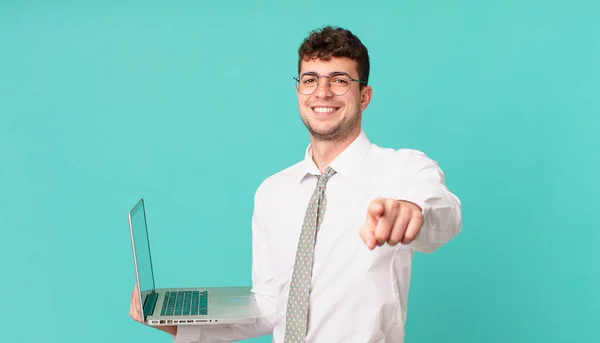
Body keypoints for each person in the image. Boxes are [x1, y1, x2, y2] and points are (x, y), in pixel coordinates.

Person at [130, 25, 462, 343]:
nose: (322, 91)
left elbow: (445, 215)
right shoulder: (272, 192)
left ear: (364, 96)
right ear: (298, 90)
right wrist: (184, 325)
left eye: (339, 80)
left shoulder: (402, 169)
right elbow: (270, 306)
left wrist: (412, 214)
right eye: (310, 79)